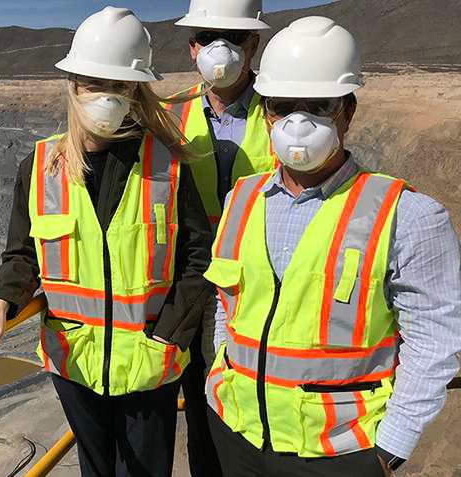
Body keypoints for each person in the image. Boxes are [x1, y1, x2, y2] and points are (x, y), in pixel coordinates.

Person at [0, 6, 212, 476]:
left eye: (119, 85)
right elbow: (23, 254)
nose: (106, 96)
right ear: (73, 84)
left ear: (137, 90)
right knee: (95, 470)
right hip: (74, 363)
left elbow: (197, 260)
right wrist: (0, 303)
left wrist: (167, 338)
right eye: (95, 82)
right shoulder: (41, 166)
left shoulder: (169, 167)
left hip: (150, 365)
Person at [203, 16, 461, 476]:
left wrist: (389, 450)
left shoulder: (408, 216)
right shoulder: (239, 198)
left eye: (318, 104)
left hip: (341, 454)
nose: (298, 121)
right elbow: (229, 305)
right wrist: (219, 377)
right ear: (266, 113)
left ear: (348, 111)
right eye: (284, 105)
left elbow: (434, 342)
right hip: (237, 432)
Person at [169, 1, 275, 475]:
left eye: (233, 39)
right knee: (202, 416)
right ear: (192, 47)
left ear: (254, 44)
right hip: (192, 289)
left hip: (261, 291)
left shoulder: (285, 114)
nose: (221, 50)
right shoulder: (169, 116)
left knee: (259, 412)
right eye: (208, 36)